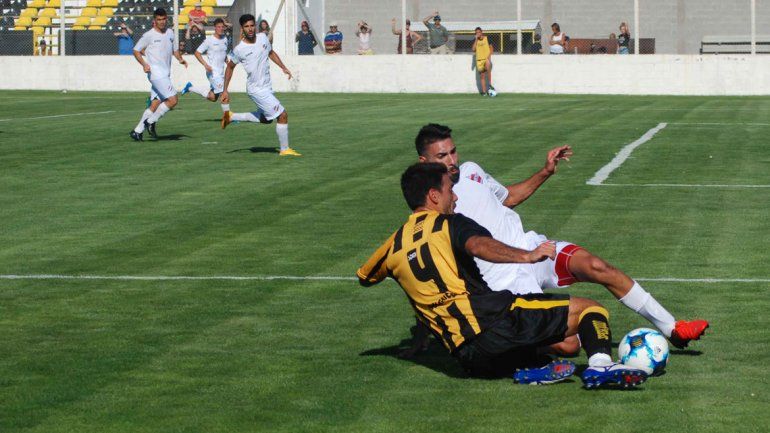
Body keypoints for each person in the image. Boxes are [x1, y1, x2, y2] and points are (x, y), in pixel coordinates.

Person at [411, 124, 709, 355]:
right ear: (423, 161)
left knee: (596, 265)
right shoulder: (430, 206)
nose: (452, 160)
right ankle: (516, 341)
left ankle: (673, 328)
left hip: (533, 249)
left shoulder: (472, 171)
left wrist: (545, 172)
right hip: (501, 282)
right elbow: (421, 274)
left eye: (453, 151)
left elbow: (508, 197)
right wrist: (426, 335)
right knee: (570, 346)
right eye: (442, 156)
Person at [358, 162, 652, 388]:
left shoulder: (393, 244)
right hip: (494, 322)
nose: (455, 197)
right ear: (434, 196)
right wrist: (526, 255)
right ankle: (600, 366)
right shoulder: (449, 223)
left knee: (559, 347)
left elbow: (365, 277)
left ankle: (530, 368)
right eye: (450, 190)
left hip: (467, 358)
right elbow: (480, 245)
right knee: (591, 309)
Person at [220, 14, 301, 157]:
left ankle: (231, 117)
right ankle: (285, 149)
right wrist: (225, 90)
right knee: (282, 115)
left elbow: (271, 52)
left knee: (266, 119)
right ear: (242, 29)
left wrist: (283, 67)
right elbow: (230, 67)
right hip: (256, 89)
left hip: (267, 87)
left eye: (252, 25)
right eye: (246, 26)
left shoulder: (263, 38)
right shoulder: (240, 49)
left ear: (255, 26)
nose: (250, 29)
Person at [130, 8, 187, 142]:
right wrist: (144, 64)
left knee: (155, 104)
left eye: (163, 19)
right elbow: (136, 51)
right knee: (173, 100)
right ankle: (150, 121)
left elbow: (175, 50)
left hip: (165, 74)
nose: (161, 22)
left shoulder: (170, 33)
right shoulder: (148, 35)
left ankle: (137, 131)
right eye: (159, 19)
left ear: (167, 19)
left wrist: (180, 59)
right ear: (154, 21)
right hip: (156, 74)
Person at [182, 17, 230, 114]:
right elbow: (197, 53)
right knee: (223, 92)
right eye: (218, 27)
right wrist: (205, 65)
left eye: (222, 27)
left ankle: (190, 87)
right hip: (212, 72)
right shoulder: (209, 40)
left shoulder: (225, 39)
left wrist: (226, 60)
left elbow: (222, 52)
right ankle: (227, 117)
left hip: (221, 72)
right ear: (215, 28)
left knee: (212, 97)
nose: (221, 28)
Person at [472, 27, 493, 96]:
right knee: (482, 76)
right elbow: (473, 49)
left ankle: (490, 86)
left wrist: (488, 57)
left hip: (486, 59)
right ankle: (484, 92)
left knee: (488, 69)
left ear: (481, 32)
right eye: (476, 33)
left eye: (479, 32)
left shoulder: (487, 38)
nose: (478, 34)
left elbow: (491, 49)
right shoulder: (476, 40)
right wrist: (476, 39)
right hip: (479, 60)